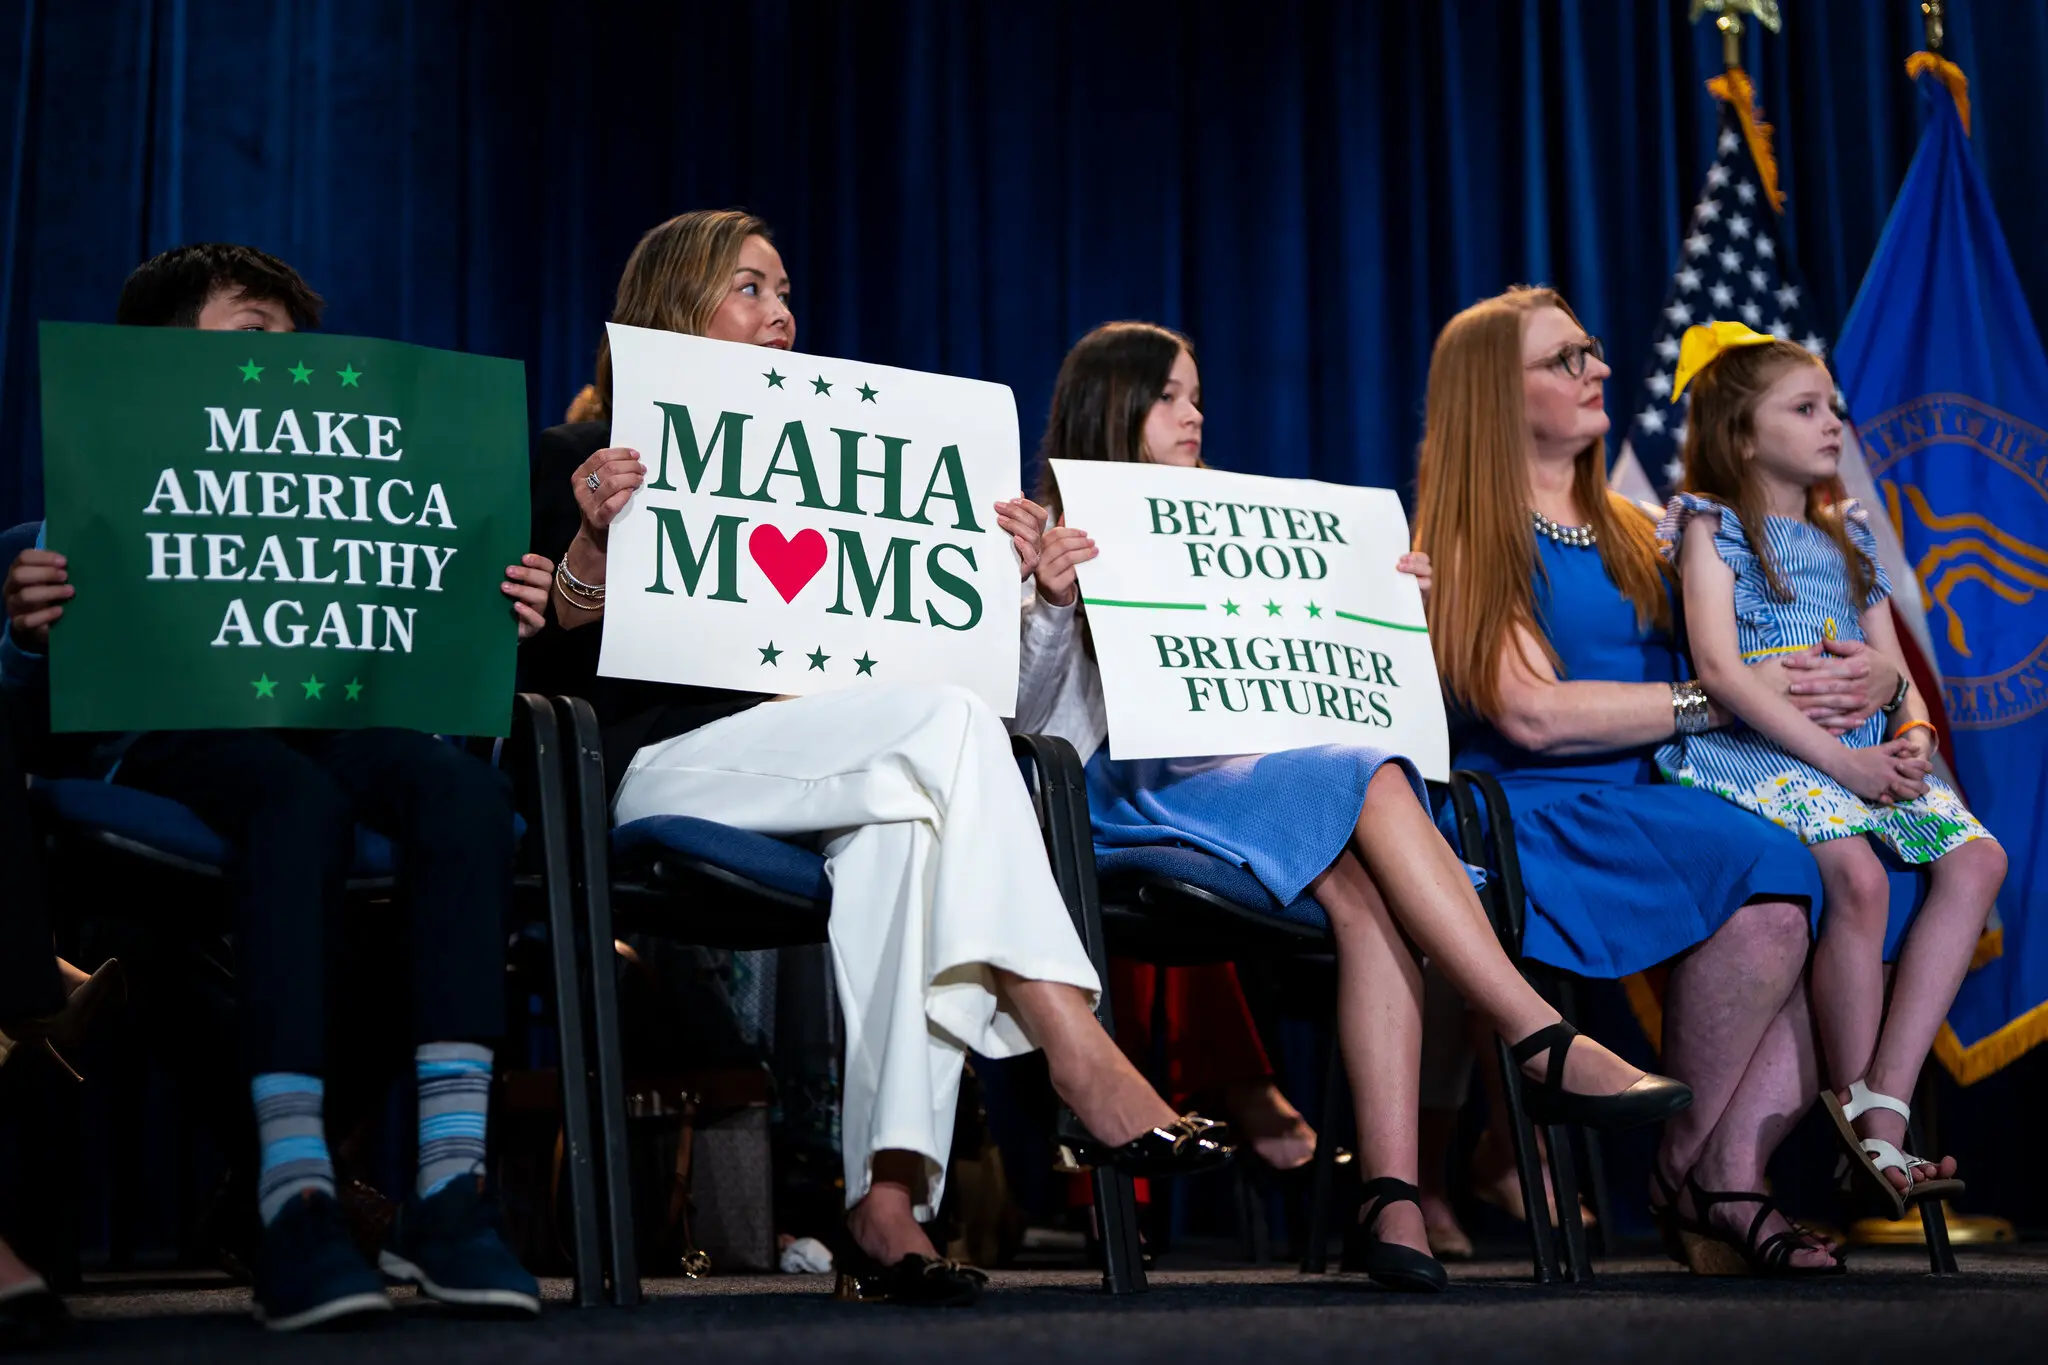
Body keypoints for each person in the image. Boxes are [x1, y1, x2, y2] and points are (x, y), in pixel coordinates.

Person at [523, 210, 1232, 1308]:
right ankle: (1069, 1040)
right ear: (672, 302)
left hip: (815, 758)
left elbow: (965, 679)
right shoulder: (580, 456)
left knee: (909, 820)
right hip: (646, 768)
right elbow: (539, 636)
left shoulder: (826, 473)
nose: (782, 313)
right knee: (942, 732)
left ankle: (884, 1201)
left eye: (784, 290)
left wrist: (1026, 596)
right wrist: (594, 540)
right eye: (749, 287)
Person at [1005, 320, 1692, 1293]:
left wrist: (1385, 616)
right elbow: (1030, 732)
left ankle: (1391, 1197)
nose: (1194, 412)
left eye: (1198, 394)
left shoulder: (1233, 525)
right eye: (1169, 395)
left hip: (1253, 783)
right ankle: (1534, 1037)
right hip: (1126, 797)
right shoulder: (1039, 530)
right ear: (1107, 404)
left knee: (1367, 895)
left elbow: (1313, 686)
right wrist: (1049, 608)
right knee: (1366, 776)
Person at [1, 243, 554, 1330]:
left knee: (460, 801)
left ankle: (451, 1193)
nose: (283, 363)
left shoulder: (350, 489)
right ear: (157, 361)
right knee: (295, 807)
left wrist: (494, 627)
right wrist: (29, 635)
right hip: (179, 729)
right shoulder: (90, 508)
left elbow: (425, 663)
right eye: (251, 335)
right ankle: (295, 1196)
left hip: (336, 721)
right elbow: (25, 718)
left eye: (294, 345)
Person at [1412, 284, 1919, 1276]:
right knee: (1776, 876)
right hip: (1532, 813)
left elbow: (1793, 638)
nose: (1597, 368)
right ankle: (1702, 1181)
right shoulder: (1469, 536)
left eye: (1590, 350)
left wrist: (1885, 678)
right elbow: (1530, 714)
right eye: (1564, 359)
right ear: (1493, 394)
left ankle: (1719, 1171)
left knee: (1846, 879)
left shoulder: (1648, 527)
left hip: (1667, 799)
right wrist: (1710, 702)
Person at [1655, 321, 1999, 1217]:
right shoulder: (1711, 526)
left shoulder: (1849, 538)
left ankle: (1884, 1093)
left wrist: (1913, 732)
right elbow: (1721, 670)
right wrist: (1844, 764)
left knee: (1977, 859)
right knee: (1853, 871)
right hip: (1760, 750)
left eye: (1832, 406)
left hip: (1855, 753)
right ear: (1740, 432)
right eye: (1805, 408)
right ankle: (1858, 1104)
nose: (1832, 422)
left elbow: (1894, 675)